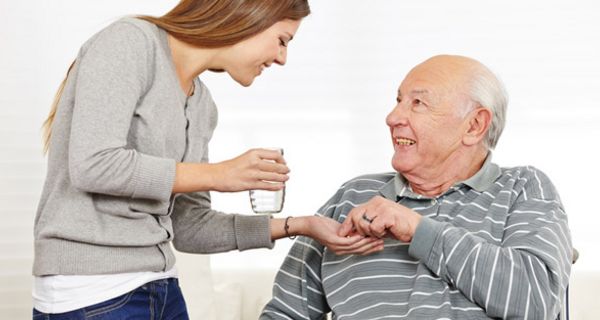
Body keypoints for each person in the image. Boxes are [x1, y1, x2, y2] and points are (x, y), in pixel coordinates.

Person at [32, 0, 384, 318]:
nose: (282, 58)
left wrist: (300, 225)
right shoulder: (131, 42)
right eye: (282, 40)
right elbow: (93, 164)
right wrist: (218, 174)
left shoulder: (202, 106)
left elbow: (189, 228)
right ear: (248, 14)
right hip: (91, 293)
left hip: (163, 289)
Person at [260, 55, 572, 319]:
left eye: (418, 103)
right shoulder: (353, 196)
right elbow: (285, 312)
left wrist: (417, 229)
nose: (392, 117)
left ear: (474, 125)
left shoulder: (523, 188)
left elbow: (537, 300)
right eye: (398, 101)